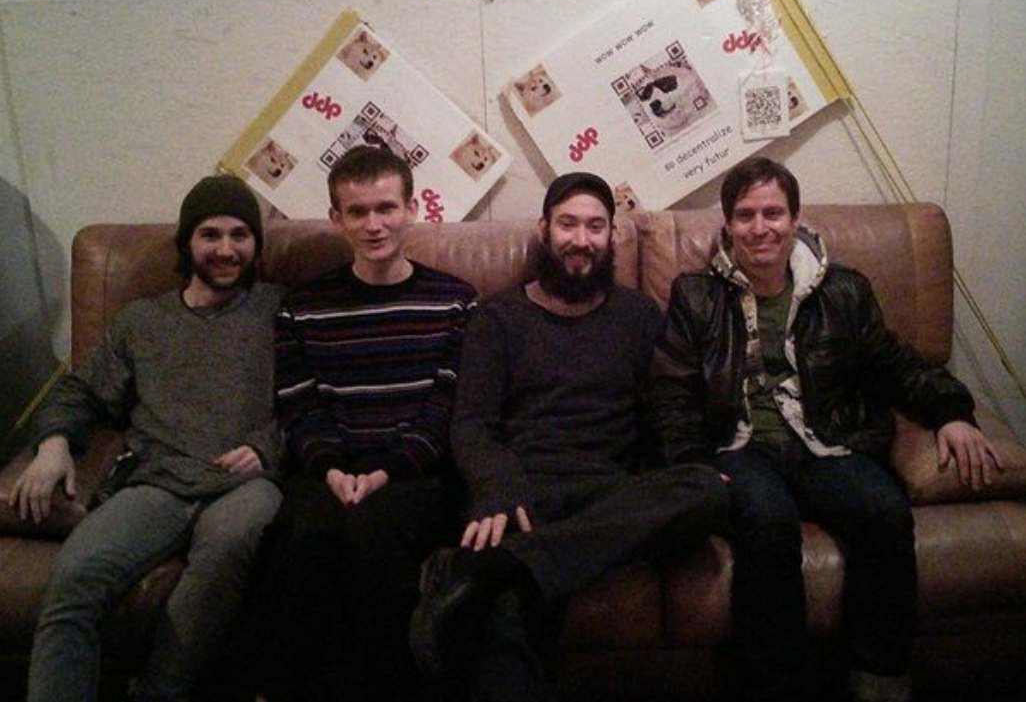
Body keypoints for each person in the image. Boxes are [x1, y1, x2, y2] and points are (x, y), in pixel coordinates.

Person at [648, 156, 1004, 702]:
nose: (760, 228)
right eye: (746, 215)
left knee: (884, 510)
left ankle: (879, 678)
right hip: (739, 445)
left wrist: (951, 412)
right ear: (728, 224)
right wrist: (691, 466)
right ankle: (775, 686)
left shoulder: (844, 291)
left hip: (825, 439)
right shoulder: (696, 295)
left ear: (795, 219)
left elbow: (895, 365)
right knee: (767, 520)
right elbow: (671, 392)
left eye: (773, 213)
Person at [409, 172, 729, 701]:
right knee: (504, 619)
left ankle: (503, 566)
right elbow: (472, 423)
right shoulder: (498, 317)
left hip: (608, 493)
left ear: (611, 235)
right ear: (544, 229)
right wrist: (497, 489)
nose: (581, 239)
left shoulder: (638, 315)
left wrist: (688, 464)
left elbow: (664, 411)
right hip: (524, 490)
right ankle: (513, 570)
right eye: (568, 224)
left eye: (595, 227)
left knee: (709, 491)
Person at [9, 174, 284, 701]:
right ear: (187, 242)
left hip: (244, 485)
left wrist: (267, 446)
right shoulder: (142, 320)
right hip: (156, 483)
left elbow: (316, 397)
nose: (226, 249)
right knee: (73, 579)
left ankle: (157, 692)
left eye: (240, 235)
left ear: (256, 243)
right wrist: (54, 444)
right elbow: (81, 390)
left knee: (231, 540)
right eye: (210, 234)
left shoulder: (279, 310)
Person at [246, 145, 477, 702]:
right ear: (337, 219)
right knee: (303, 536)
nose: (374, 225)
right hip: (328, 468)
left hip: (419, 473)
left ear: (411, 209)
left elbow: (449, 406)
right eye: (358, 211)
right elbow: (298, 404)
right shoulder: (301, 305)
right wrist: (329, 468)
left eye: (386, 208)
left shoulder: (456, 301)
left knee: (371, 532)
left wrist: (387, 471)